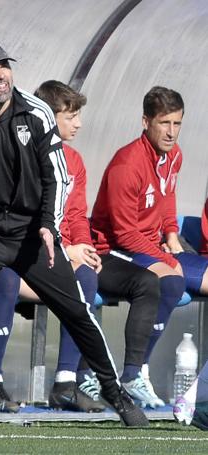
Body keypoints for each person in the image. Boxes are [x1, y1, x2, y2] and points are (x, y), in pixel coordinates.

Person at [0, 40, 147, 426]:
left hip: (31, 230)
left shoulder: (36, 112)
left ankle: (116, 393)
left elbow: (57, 177)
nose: (1, 74)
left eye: (4, 66)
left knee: (76, 308)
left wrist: (49, 227)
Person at [0, 81, 163, 412]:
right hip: (20, 255)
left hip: (59, 256)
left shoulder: (74, 160)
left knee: (88, 277)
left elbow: (78, 214)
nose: (78, 124)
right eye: (72, 116)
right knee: (5, 280)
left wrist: (83, 246)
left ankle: (66, 383)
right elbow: (20, 219)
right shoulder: (18, 154)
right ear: (49, 118)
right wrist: (67, 250)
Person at [91, 86, 208, 403]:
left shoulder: (174, 155)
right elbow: (124, 234)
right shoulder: (127, 165)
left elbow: (168, 196)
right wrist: (166, 258)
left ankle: (201, 389)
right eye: (164, 123)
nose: (171, 132)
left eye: (177, 124)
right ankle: (135, 373)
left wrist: (171, 234)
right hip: (113, 249)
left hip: (149, 245)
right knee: (171, 279)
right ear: (146, 122)